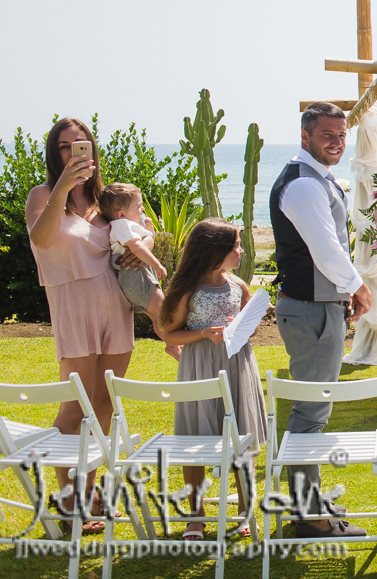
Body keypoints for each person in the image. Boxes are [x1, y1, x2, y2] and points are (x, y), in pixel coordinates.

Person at [268, 101, 372, 538]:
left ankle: (305, 501)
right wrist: (358, 286)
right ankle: (308, 515)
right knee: (310, 414)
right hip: (311, 311)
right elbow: (327, 251)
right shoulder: (305, 185)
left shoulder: (315, 179)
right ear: (306, 136)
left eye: (341, 134)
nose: (336, 141)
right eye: (327, 134)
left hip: (318, 307)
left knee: (313, 411)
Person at [25, 117, 134, 531]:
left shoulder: (107, 199)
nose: (74, 151)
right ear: (56, 154)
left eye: (81, 143)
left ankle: (90, 495)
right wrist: (60, 189)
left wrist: (139, 250)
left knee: (104, 404)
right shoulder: (42, 195)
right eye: (66, 146)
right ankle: (68, 503)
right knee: (75, 408)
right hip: (72, 306)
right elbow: (41, 238)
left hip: (114, 306)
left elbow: (141, 231)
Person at [158, 219, 267, 540]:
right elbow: (169, 332)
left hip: (237, 365)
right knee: (196, 440)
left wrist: (242, 325)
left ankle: (245, 511)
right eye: (235, 246)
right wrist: (204, 333)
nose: (241, 251)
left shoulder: (239, 285)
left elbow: (253, 325)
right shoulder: (187, 290)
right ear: (213, 250)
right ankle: (196, 515)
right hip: (200, 368)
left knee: (241, 439)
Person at [97, 182, 181, 360]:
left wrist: (149, 230)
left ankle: (173, 346)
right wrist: (158, 265)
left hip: (134, 278)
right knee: (165, 312)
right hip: (137, 275)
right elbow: (137, 248)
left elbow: (145, 240)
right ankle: (177, 346)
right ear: (121, 214)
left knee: (157, 317)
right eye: (138, 207)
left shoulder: (125, 225)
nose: (142, 210)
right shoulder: (122, 225)